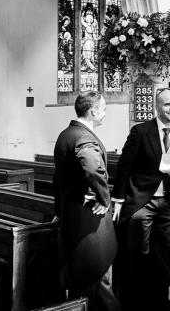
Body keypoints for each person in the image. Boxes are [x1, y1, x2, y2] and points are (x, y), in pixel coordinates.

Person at [112, 89, 170, 311]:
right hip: (143, 203)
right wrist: (119, 199)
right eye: (167, 105)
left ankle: (160, 301)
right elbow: (124, 166)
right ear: (157, 108)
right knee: (139, 257)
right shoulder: (141, 131)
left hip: (168, 203)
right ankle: (137, 303)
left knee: (164, 257)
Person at [53, 91, 120, 311]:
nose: (105, 114)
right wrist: (105, 197)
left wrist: (58, 208)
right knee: (99, 275)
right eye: (103, 109)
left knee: (83, 278)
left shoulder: (66, 134)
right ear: (93, 111)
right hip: (89, 219)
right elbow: (92, 167)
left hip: (71, 213)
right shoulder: (84, 137)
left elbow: (58, 177)